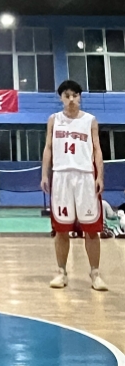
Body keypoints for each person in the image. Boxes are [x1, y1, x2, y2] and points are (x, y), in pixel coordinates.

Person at [41, 80, 107, 291]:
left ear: (80, 97)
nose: (71, 99)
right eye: (67, 96)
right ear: (61, 98)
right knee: (61, 229)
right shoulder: (54, 120)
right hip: (61, 176)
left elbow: (97, 149)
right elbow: (48, 148)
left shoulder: (90, 120)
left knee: (91, 229)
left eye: (75, 95)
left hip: (85, 176)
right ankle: (61, 272)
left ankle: (95, 274)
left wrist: (100, 176)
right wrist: (44, 174)